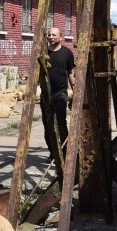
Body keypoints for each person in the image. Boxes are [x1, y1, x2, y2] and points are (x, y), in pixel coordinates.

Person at [42, 27, 75, 159]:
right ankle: (53, 152)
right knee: (48, 124)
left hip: (61, 92)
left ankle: (65, 151)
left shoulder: (67, 52)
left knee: (61, 123)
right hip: (45, 94)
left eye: (54, 35)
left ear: (60, 37)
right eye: (49, 34)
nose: (50, 37)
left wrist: (75, 90)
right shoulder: (42, 52)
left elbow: (71, 73)